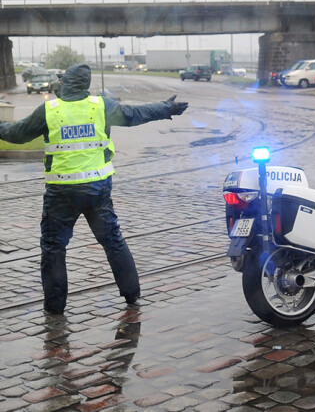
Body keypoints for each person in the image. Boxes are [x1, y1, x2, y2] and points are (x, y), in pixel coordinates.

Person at [0, 63, 188, 315]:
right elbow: (135, 114)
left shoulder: (49, 110)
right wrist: (166, 108)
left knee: (54, 246)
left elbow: (16, 134)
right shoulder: (101, 107)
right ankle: (131, 294)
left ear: (65, 83)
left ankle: (55, 307)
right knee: (113, 240)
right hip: (97, 189)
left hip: (62, 193)